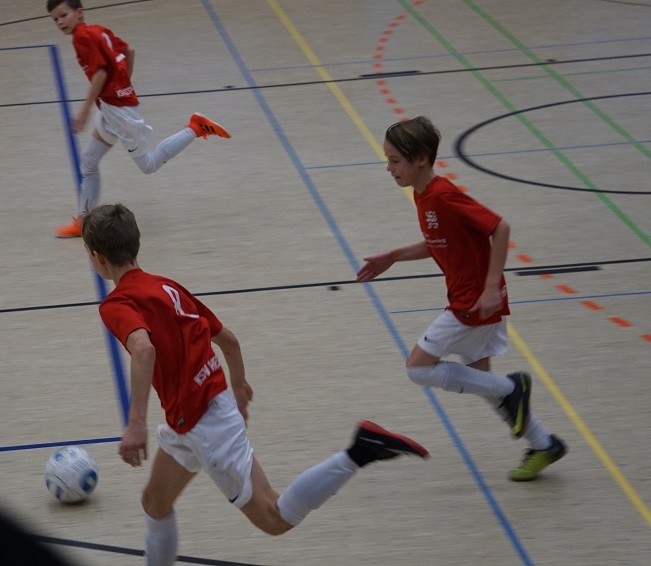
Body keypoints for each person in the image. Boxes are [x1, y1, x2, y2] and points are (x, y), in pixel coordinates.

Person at [81, 203, 428, 565]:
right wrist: (239, 387)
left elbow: (143, 349)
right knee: (155, 502)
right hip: (193, 414)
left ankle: (359, 452)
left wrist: (136, 423)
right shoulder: (167, 287)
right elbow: (228, 340)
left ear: (98, 258)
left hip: (205, 423)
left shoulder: (117, 303)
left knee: (274, 518)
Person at [356, 116, 567, 482]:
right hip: (473, 298)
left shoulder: (443, 195)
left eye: (395, 160)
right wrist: (393, 256)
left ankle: (513, 387)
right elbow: (437, 242)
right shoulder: (423, 195)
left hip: (474, 302)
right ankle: (544, 442)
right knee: (479, 381)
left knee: (418, 369)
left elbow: (500, 228)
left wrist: (490, 287)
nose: (389, 168)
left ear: (421, 159)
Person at [47, 0, 231, 238]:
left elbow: (100, 73)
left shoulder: (81, 38)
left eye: (64, 15)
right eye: (55, 19)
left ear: (79, 13)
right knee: (89, 160)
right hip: (112, 107)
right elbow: (129, 51)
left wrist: (84, 111)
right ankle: (83, 222)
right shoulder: (99, 30)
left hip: (119, 113)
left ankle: (195, 128)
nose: (60, 22)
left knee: (149, 165)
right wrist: (122, 85)